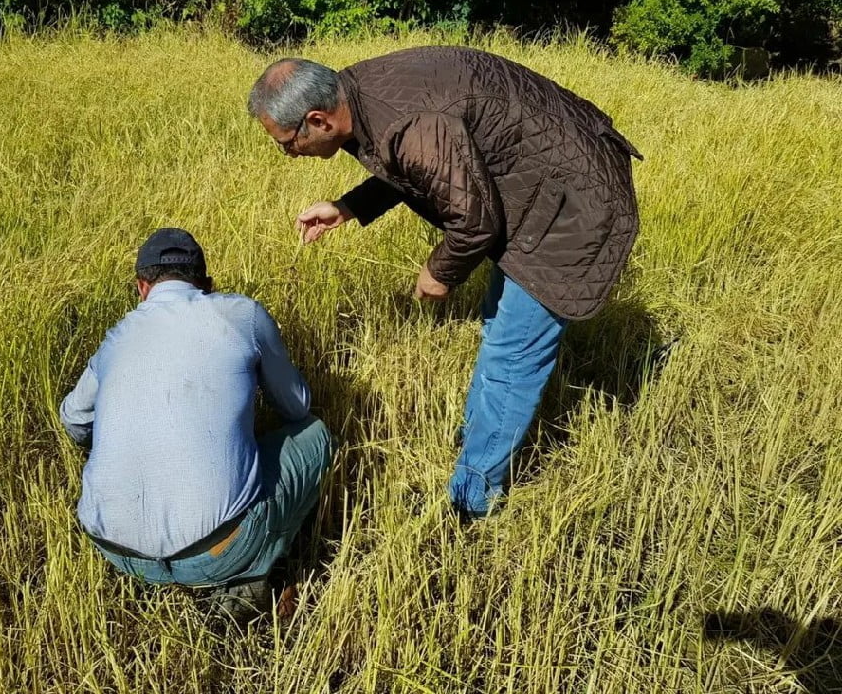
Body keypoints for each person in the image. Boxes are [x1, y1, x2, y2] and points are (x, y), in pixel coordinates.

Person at [247, 46, 641, 518]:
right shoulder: (357, 92)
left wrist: (440, 273)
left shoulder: (406, 122)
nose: (288, 154)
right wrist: (348, 208)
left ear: (319, 120)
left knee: (512, 354)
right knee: (500, 331)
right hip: (543, 184)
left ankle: (472, 500)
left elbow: (474, 221)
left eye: (286, 142)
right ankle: (480, 439)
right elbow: (424, 166)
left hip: (572, 205)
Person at [59, 227, 334, 620]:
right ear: (207, 284)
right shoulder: (243, 314)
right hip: (219, 552)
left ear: (141, 287)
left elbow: (73, 420)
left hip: (116, 552)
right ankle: (251, 571)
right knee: (316, 436)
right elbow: (296, 408)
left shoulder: (117, 336)